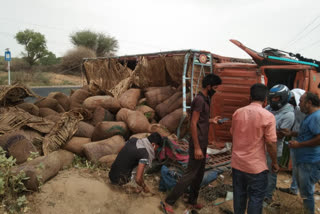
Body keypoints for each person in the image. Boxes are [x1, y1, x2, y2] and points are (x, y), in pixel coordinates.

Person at [163, 73, 222, 213]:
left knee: (199, 174)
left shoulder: (206, 99)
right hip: (197, 143)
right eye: (215, 87)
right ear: (208, 86)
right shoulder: (199, 100)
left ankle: (192, 201)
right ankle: (168, 201)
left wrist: (211, 120)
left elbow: (201, 120)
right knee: (190, 174)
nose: (216, 90)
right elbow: (193, 123)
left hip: (202, 142)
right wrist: (196, 147)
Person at [230, 83, 278, 214]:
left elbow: (233, 134)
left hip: (238, 164)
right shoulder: (268, 116)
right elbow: (271, 143)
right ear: (265, 100)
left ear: (249, 97)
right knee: (256, 199)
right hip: (256, 167)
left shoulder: (237, 113)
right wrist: (274, 162)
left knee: (239, 195)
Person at [283, 92, 320, 214]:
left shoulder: (316, 117)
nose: (299, 104)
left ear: (309, 103)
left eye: (301, 101)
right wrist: (292, 134)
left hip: (309, 161)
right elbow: (307, 134)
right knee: (305, 189)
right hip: (304, 160)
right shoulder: (310, 115)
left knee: (307, 192)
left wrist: (299, 145)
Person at [264, 84, 295, 204]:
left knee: (271, 173)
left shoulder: (288, 114)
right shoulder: (269, 108)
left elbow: (280, 134)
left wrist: (262, 130)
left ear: (283, 98)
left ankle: (268, 196)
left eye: (276, 98)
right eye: (272, 98)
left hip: (275, 147)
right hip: (263, 146)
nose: (273, 100)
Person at [279, 88, 306, 195]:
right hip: (295, 139)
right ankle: (294, 188)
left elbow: (309, 132)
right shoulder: (295, 108)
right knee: (295, 166)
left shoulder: (307, 112)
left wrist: (292, 133)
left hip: (304, 142)